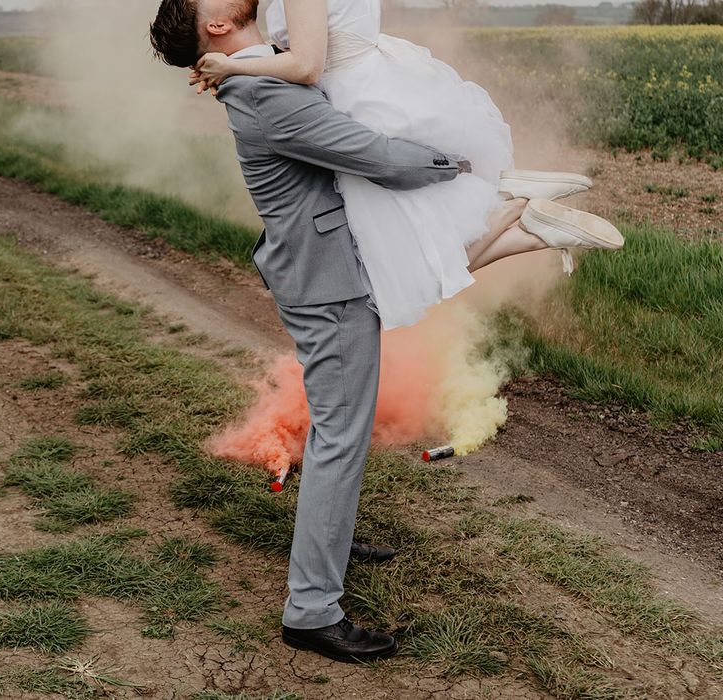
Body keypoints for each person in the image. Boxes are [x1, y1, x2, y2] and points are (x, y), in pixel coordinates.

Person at [151, 0, 476, 664]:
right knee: (341, 431)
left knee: (337, 428)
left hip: (321, 272)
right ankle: (310, 609)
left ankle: (327, 532)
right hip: (328, 288)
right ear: (215, 26)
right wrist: (458, 167)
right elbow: (372, 154)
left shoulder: (257, 68)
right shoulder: (260, 88)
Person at [188, 0, 625, 330]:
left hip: (355, 101)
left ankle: (520, 210)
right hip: (374, 86)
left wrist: (232, 65)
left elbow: (306, 65)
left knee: (401, 269)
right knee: (414, 258)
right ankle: (526, 218)